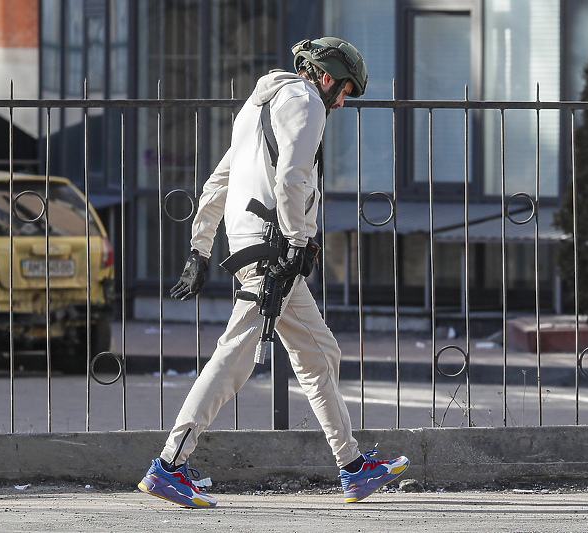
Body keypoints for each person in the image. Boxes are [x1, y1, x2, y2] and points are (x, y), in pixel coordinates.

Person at [137, 37, 409, 508]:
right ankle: (169, 465)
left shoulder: (256, 104)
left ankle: (351, 468)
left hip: (258, 243)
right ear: (325, 76)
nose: (343, 100)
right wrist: (299, 241)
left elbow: (219, 180)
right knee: (234, 359)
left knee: (319, 352)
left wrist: (200, 249)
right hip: (273, 249)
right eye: (344, 89)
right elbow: (291, 177)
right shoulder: (306, 101)